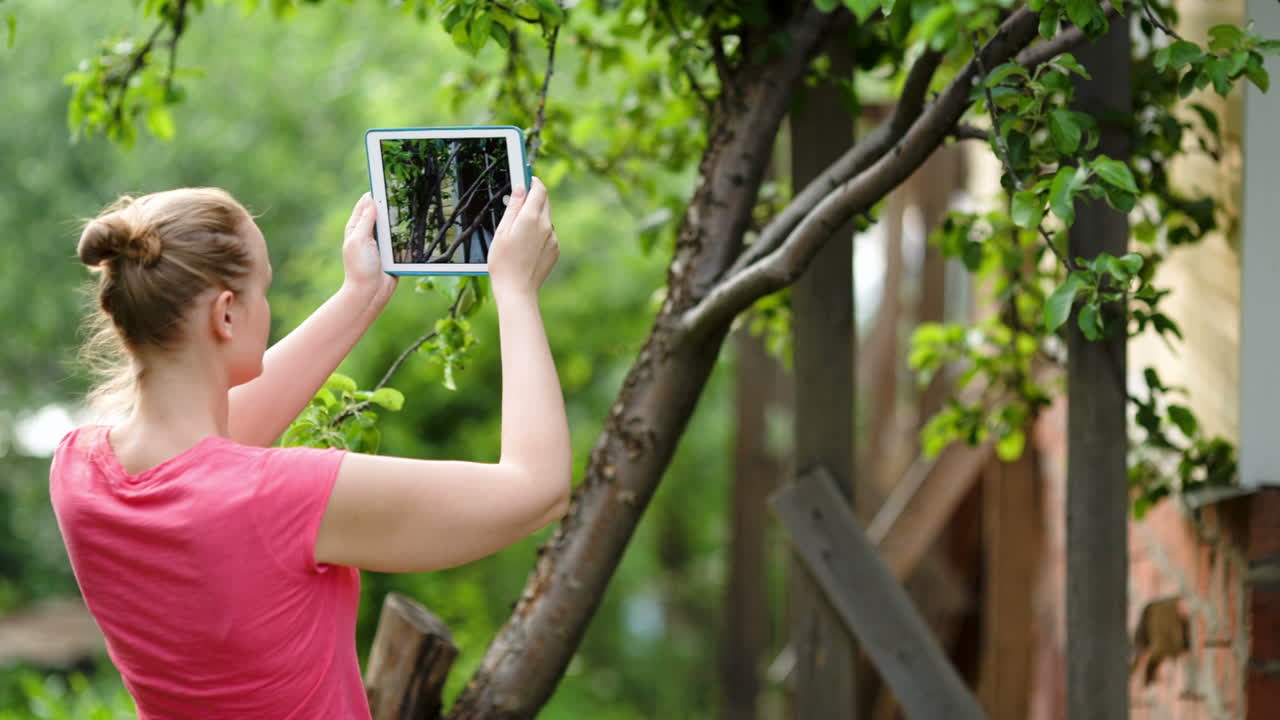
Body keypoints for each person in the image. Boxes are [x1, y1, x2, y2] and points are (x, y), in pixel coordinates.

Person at [48, 180, 571, 719]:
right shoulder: (278, 496)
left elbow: (208, 451)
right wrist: (516, 290)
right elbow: (538, 489)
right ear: (226, 314)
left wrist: (360, 295)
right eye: (264, 289)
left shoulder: (77, 471)